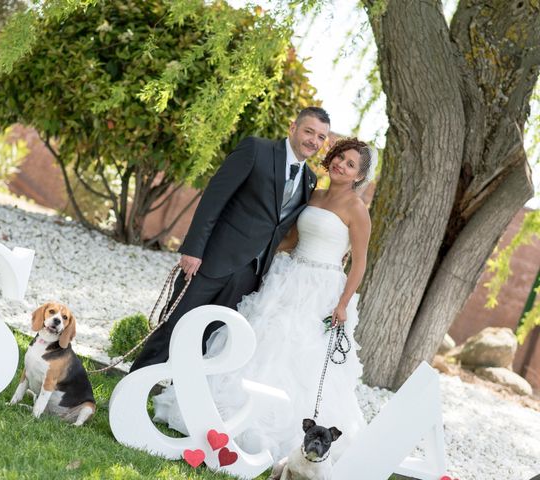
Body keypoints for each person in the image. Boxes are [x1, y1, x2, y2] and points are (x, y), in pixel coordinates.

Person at [153, 137, 375, 463]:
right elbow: (290, 239)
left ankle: (285, 435)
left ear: (358, 175)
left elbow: (360, 261)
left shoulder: (357, 209)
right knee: (259, 338)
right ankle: (220, 417)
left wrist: (342, 303)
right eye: (340, 157)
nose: (341, 165)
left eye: (351, 164)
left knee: (296, 353)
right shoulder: (314, 194)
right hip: (288, 276)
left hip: (321, 289)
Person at [130, 107, 331, 372]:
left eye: (320, 137)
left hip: (250, 275)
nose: (313, 141)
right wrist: (193, 250)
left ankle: (172, 402)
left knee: (208, 340)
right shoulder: (256, 150)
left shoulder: (309, 180)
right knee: (175, 327)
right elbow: (214, 198)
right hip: (211, 260)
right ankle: (130, 390)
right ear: (293, 127)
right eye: (308, 131)